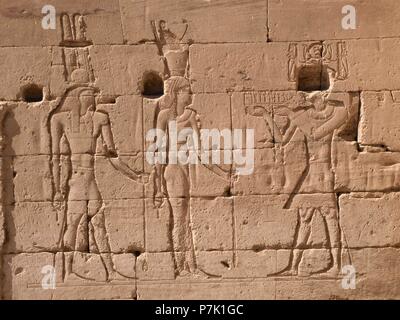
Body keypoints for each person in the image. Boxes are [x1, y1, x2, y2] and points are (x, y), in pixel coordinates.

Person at [50, 69, 145, 281]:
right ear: (76, 95)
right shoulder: (59, 119)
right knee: (73, 225)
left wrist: (135, 175)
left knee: (99, 223)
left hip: (90, 180)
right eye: (87, 93)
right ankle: (67, 272)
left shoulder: (100, 118)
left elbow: (112, 155)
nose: (92, 97)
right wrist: (57, 189)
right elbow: (56, 158)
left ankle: (110, 272)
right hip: (75, 181)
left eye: (92, 93)